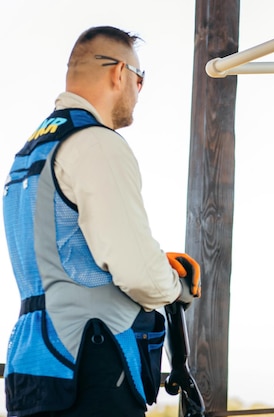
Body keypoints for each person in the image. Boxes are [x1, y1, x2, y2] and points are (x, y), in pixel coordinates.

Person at [2, 26, 200, 417]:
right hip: (93, 364)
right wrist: (174, 287)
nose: (138, 91)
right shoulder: (97, 143)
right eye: (140, 80)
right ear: (119, 73)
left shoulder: (28, 155)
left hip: (33, 364)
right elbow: (137, 270)